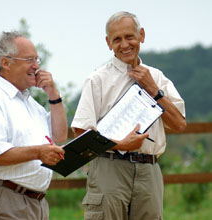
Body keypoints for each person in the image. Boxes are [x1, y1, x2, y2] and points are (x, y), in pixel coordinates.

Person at [71, 11, 186, 220]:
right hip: (109, 165)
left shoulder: (157, 77)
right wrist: (121, 145)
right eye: (117, 39)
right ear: (108, 43)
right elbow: (81, 131)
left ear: (141, 35)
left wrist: (154, 90)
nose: (124, 45)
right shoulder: (97, 79)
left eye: (129, 37)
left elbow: (179, 124)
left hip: (149, 170)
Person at [0, 31, 68, 220]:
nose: (36, 66)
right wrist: (39, 152)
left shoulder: (30, 103)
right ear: (6, 63)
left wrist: (54, 95)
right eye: (29, 59)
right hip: (2, 196)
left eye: (37, 60)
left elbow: (60, 137)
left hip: (35, 202)